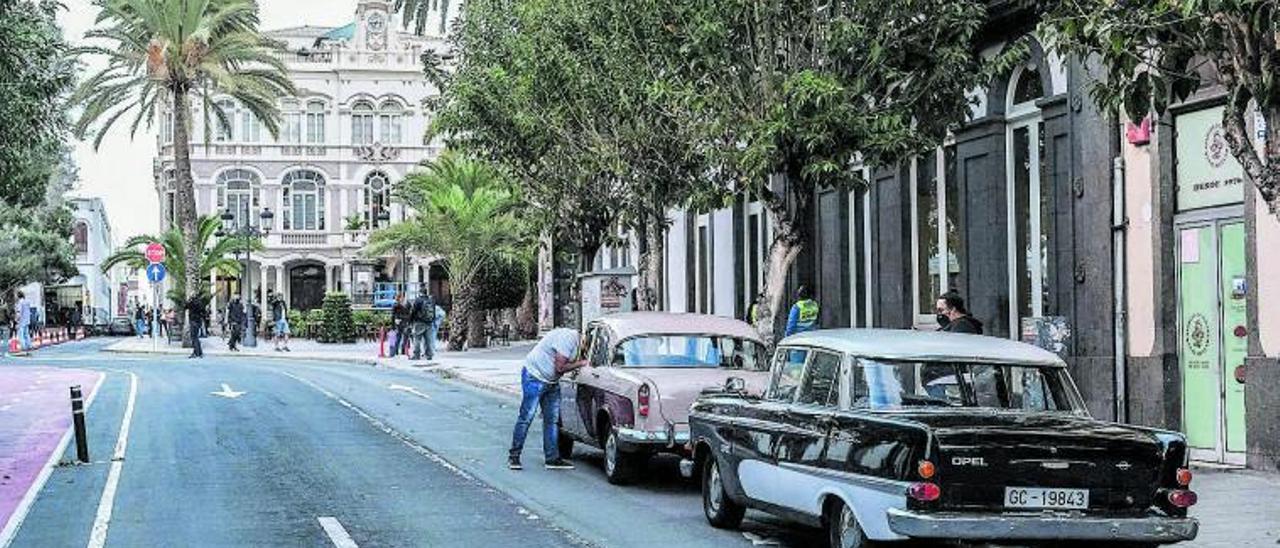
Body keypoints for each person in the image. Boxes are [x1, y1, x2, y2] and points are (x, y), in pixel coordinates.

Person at [508, 327, 586, 470]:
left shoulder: (576, 343)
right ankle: (514, 456)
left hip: (551, 382)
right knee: (526, 417)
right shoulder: (569, 339)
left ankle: (552, 458)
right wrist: (581, 364)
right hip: (534, 377)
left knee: (552, 420)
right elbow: (560, 367)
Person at [408, 288, 436, 361]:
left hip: (419, 322)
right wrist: (432, 321)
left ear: (420, 292)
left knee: (417, 339)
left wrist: (410, 321)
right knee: (428, 340)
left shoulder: (418, 300)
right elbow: (434, 312)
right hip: (429, 323)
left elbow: (413, 311)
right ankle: (429, 355)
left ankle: (416, 355)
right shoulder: (431, 300)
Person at [390, 292, 410, 358]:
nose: (403, 298)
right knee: (398, 337)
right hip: (399, 323)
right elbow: (392, 316)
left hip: (404, 322)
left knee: (405, 337)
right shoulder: (396, 305)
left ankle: (402, 350)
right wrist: (393, 325)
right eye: (401, 297)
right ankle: (396, 351)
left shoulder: (407, 304)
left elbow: (409, 313)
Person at [186, 294, 206, 358]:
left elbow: (185, 306)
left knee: (194, 337)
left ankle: (196, 353)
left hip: (193, 321)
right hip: (198, 321)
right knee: (196, 337)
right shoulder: (200, 304)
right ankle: (199, 352)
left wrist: (189, 300)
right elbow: (204, 312)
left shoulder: (191, 303)